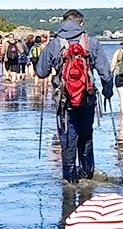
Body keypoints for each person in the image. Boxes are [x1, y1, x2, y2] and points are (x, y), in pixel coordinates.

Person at [35, 10, 114, 183]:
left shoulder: (55, 44)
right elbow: (106, 74)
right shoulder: (91, 42)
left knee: (67, 138)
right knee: (86, 136)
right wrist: (108, 92)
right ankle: (87, 177)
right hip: (87, 99)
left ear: (63, 23)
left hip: (64, 100)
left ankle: (69, 181)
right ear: (81, 24)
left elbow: (41, 72)